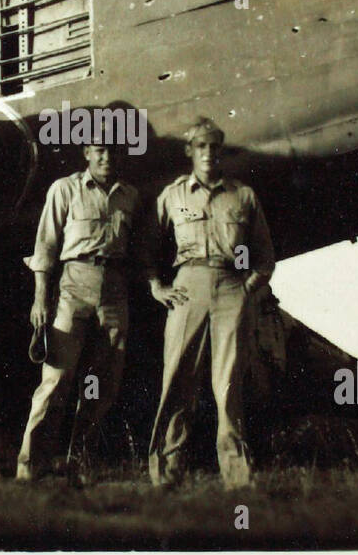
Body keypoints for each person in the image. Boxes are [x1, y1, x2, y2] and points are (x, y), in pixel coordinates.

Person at [145, 117, 275, 489]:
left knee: (229, 384)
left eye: (214, 146)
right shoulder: (172, 196)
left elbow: (265, 256)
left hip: (232, 287)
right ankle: (166, 475)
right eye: (200, 146)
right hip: (188, 287)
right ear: (190, 151)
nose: (208, 153)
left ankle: (237, 478)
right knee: (177, 381)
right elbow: (147, 248)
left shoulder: (243, 195)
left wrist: (247, 288)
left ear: (221, 151)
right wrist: (156, 285)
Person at [16, 139, 146, 486]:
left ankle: (80, 462)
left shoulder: (130, 196)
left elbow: (138, 249)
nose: (106, 157)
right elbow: (45, 245)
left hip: (114, 287)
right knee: (57, 377)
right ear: (86, 153)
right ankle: (31, 466)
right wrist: (40, 299)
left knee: (103, 382)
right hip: (74, 282)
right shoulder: (65, 189)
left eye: (113, 150)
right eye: (99, 150)